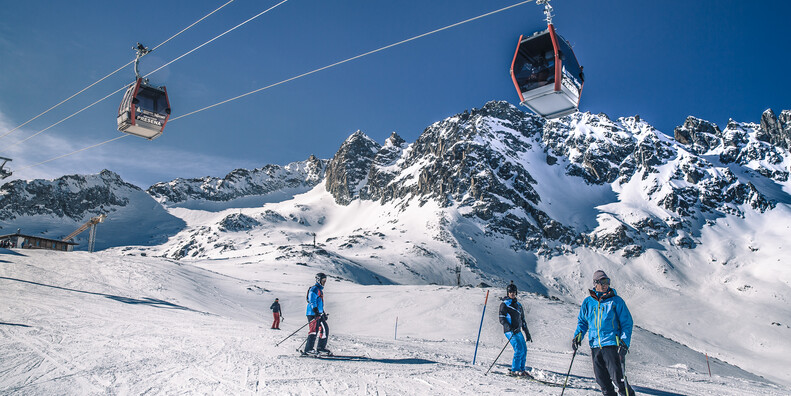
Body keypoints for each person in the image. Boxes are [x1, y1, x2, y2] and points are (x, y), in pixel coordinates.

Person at [572, 270, 635, 396]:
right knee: (602, 380)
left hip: (611, 344)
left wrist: (624, 342)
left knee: (618, 378)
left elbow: (627, 323)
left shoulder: (616, 301)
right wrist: (577, 337)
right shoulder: (588, 302)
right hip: (595, 345)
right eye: (602, 282)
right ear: (595, 283)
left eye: (607, 281)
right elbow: (583, 322)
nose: (606, 284)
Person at [498, 282, 532, 376]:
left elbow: (522, 320)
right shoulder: (504, 304)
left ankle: (521, 369)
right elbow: (502, 319)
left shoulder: (519, 305)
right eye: (510, 292)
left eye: (513, 292)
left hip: (517, 331)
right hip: (509, 331)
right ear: (507, 293)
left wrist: (527, 333)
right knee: (519, 349)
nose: (512, 293)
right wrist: (509, 327)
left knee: (524, 350)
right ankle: (515, 370)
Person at [303, 272, 331, 355]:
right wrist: (315, 311)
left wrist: (323, 313)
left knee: (324, 329)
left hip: (318, 313)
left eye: (325, 280)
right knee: (313, 330)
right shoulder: (314, 289)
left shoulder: (320, 290)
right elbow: (312, 300)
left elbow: (319, 304)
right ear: (318, 280)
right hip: (312, 313)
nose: (324, 282)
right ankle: (308, 349)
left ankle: (321, 348)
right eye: (323, 280)